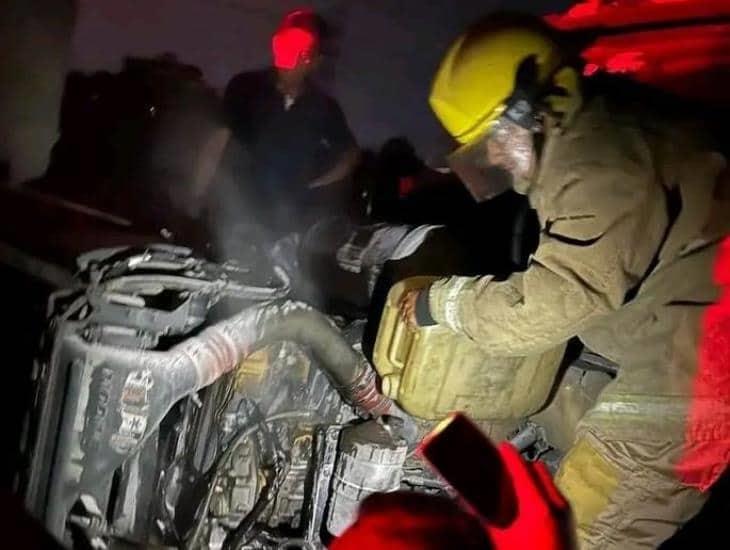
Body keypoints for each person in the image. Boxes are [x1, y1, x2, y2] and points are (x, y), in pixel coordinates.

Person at [399, 14, 730, 549]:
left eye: (495, 139)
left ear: (537, 107)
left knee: (560, 538)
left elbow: (553, 302)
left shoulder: (598, 157)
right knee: (550, 399)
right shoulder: (600, 130)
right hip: (673, 343)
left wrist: (446, 302)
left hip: (688, 386)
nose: (497, 158)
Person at [223, 8, 360, 235]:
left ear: (315, 60)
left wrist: (313, 188)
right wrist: (198, 195)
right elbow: (218, 136)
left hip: (287, 221)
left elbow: (350, 154)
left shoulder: (325, 107)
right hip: (236, 211)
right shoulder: (246, 86)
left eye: (303, 48)